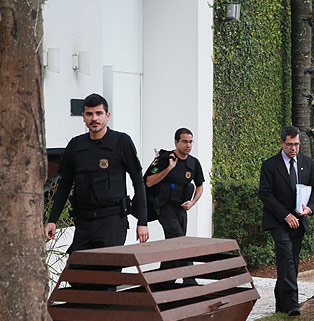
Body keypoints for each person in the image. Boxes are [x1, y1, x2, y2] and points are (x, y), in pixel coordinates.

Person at [45, 93, 149, 254]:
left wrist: (142, 221)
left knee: (108, 274)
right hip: (84, 222)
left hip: (112, 221)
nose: (94, 118)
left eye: (99, 113)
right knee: (77, 275)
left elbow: (138, 181)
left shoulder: (121, 142)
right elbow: (64, 185)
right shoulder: (75, 145)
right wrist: (53, 220)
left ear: (107, 116)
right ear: (83, 117)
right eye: (89, 114)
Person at [259, 125, 314, 316]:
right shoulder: (269, 165)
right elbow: (265, 194)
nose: (293, 148)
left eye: (296, 144)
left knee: (291, 260)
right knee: (286, 257)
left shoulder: (307, 163)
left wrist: (310, 208)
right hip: (278, 221)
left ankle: (281, 304)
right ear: (281, 143)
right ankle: (293, 304)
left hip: (300, 220)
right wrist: (285, 215)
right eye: (289, 145)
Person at [144, 127, 204, 271]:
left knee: (173, 243)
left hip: (181, 208)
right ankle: (190, 278)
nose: (188, 145)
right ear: (176, 142)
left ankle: (165, 282)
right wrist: (169, 168)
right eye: (184, 141)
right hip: (164, 206)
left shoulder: (194, 163)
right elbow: (148, 182)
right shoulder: (164, 159)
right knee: (178, 241)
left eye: (190, 142)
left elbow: (200, 186)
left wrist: (193, 202)